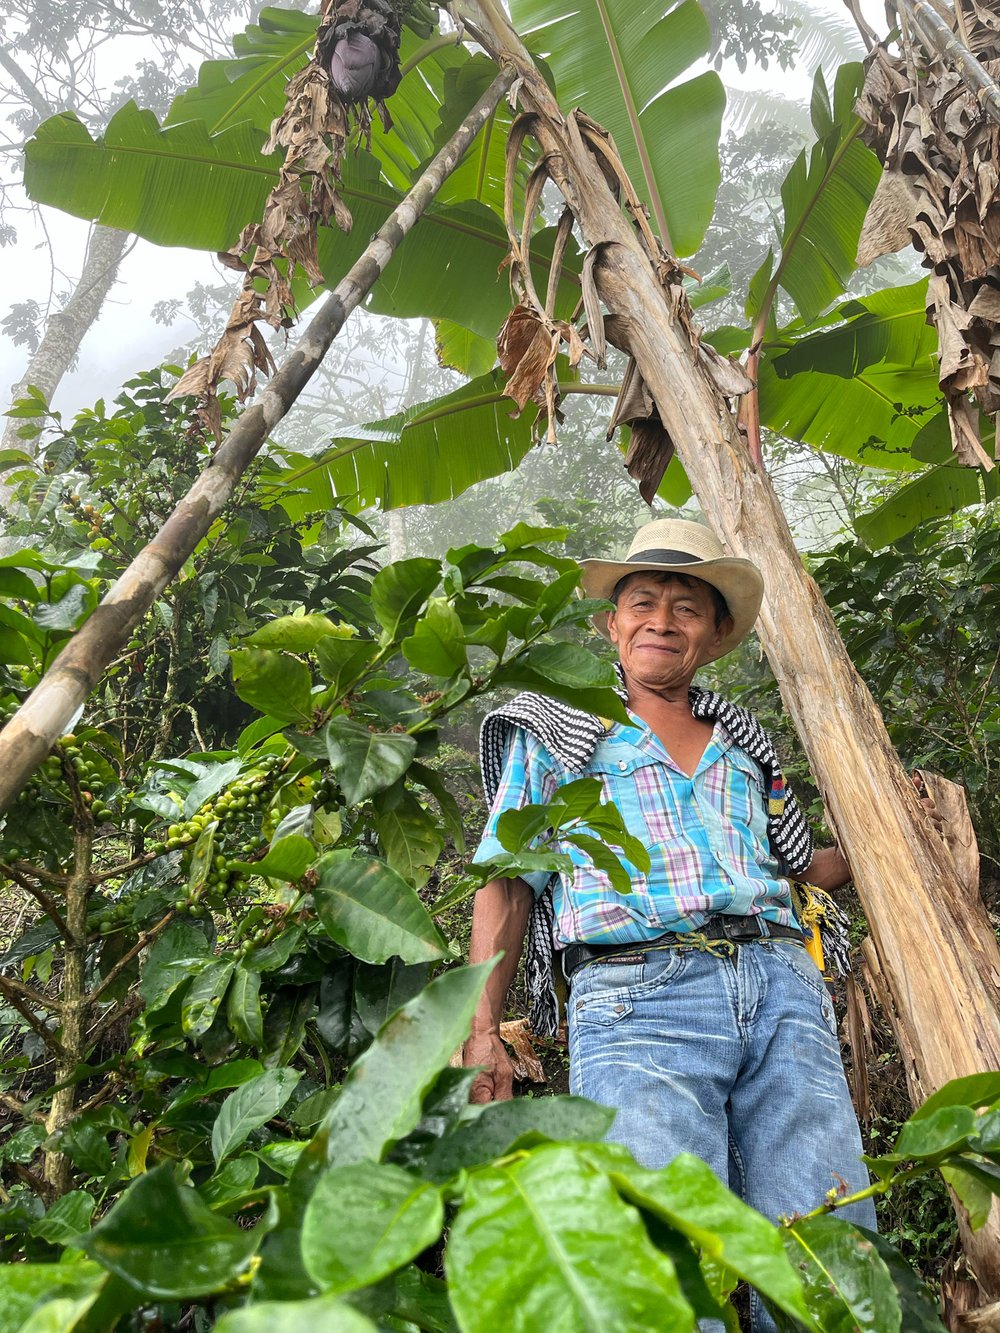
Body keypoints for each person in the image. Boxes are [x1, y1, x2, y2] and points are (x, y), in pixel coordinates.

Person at [463, 518, 875, 1332]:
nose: (662, 619)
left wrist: (891, 845)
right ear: (609, 624)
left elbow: (788, 867)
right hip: (638, 997)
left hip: (783, 987)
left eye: (686, 607)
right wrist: (481, 1027)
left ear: (714, 633)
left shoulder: (745, 744)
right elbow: (510, 879)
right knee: (663, 1257)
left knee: (825, 1235)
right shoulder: (561, 731)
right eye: (643, 601)